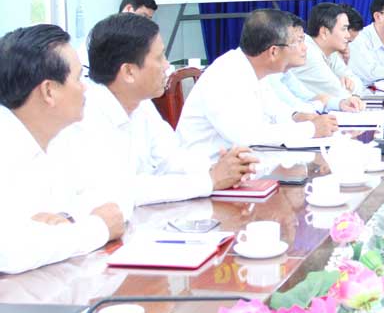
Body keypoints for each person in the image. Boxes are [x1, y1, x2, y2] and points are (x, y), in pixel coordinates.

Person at [48, 13, 258, 209]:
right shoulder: (86, 116)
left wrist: (224, 167)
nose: (167, 65)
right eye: (159, 58)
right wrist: (209, 180)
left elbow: (172, 158)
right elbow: (125, 190)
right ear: (129, 71)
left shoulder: (141, 103)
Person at [0, 24, 124, 274]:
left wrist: (66, 219)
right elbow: (11, 252)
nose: (85, 87)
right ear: (49, 91)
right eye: (78, 78)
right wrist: (97, 228)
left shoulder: (61, 136)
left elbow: (114, 195)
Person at [177, 9, 338, 160]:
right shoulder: (227, 75)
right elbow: (249, 136)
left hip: (244, 164)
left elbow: (275, 111)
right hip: (205, 170)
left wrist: (298, 117)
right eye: (297, 42)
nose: (304, 47)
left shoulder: (256, 71)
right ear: (273, 52)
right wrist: (311, 128)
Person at [287, 4, 364, 108]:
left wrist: (351, 85)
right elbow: (341, 94)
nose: (348, 35)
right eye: (344, 29)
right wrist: (350, 91)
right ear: (324, 32)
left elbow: (358, 84)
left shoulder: (330, 52)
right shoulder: (308, 53)